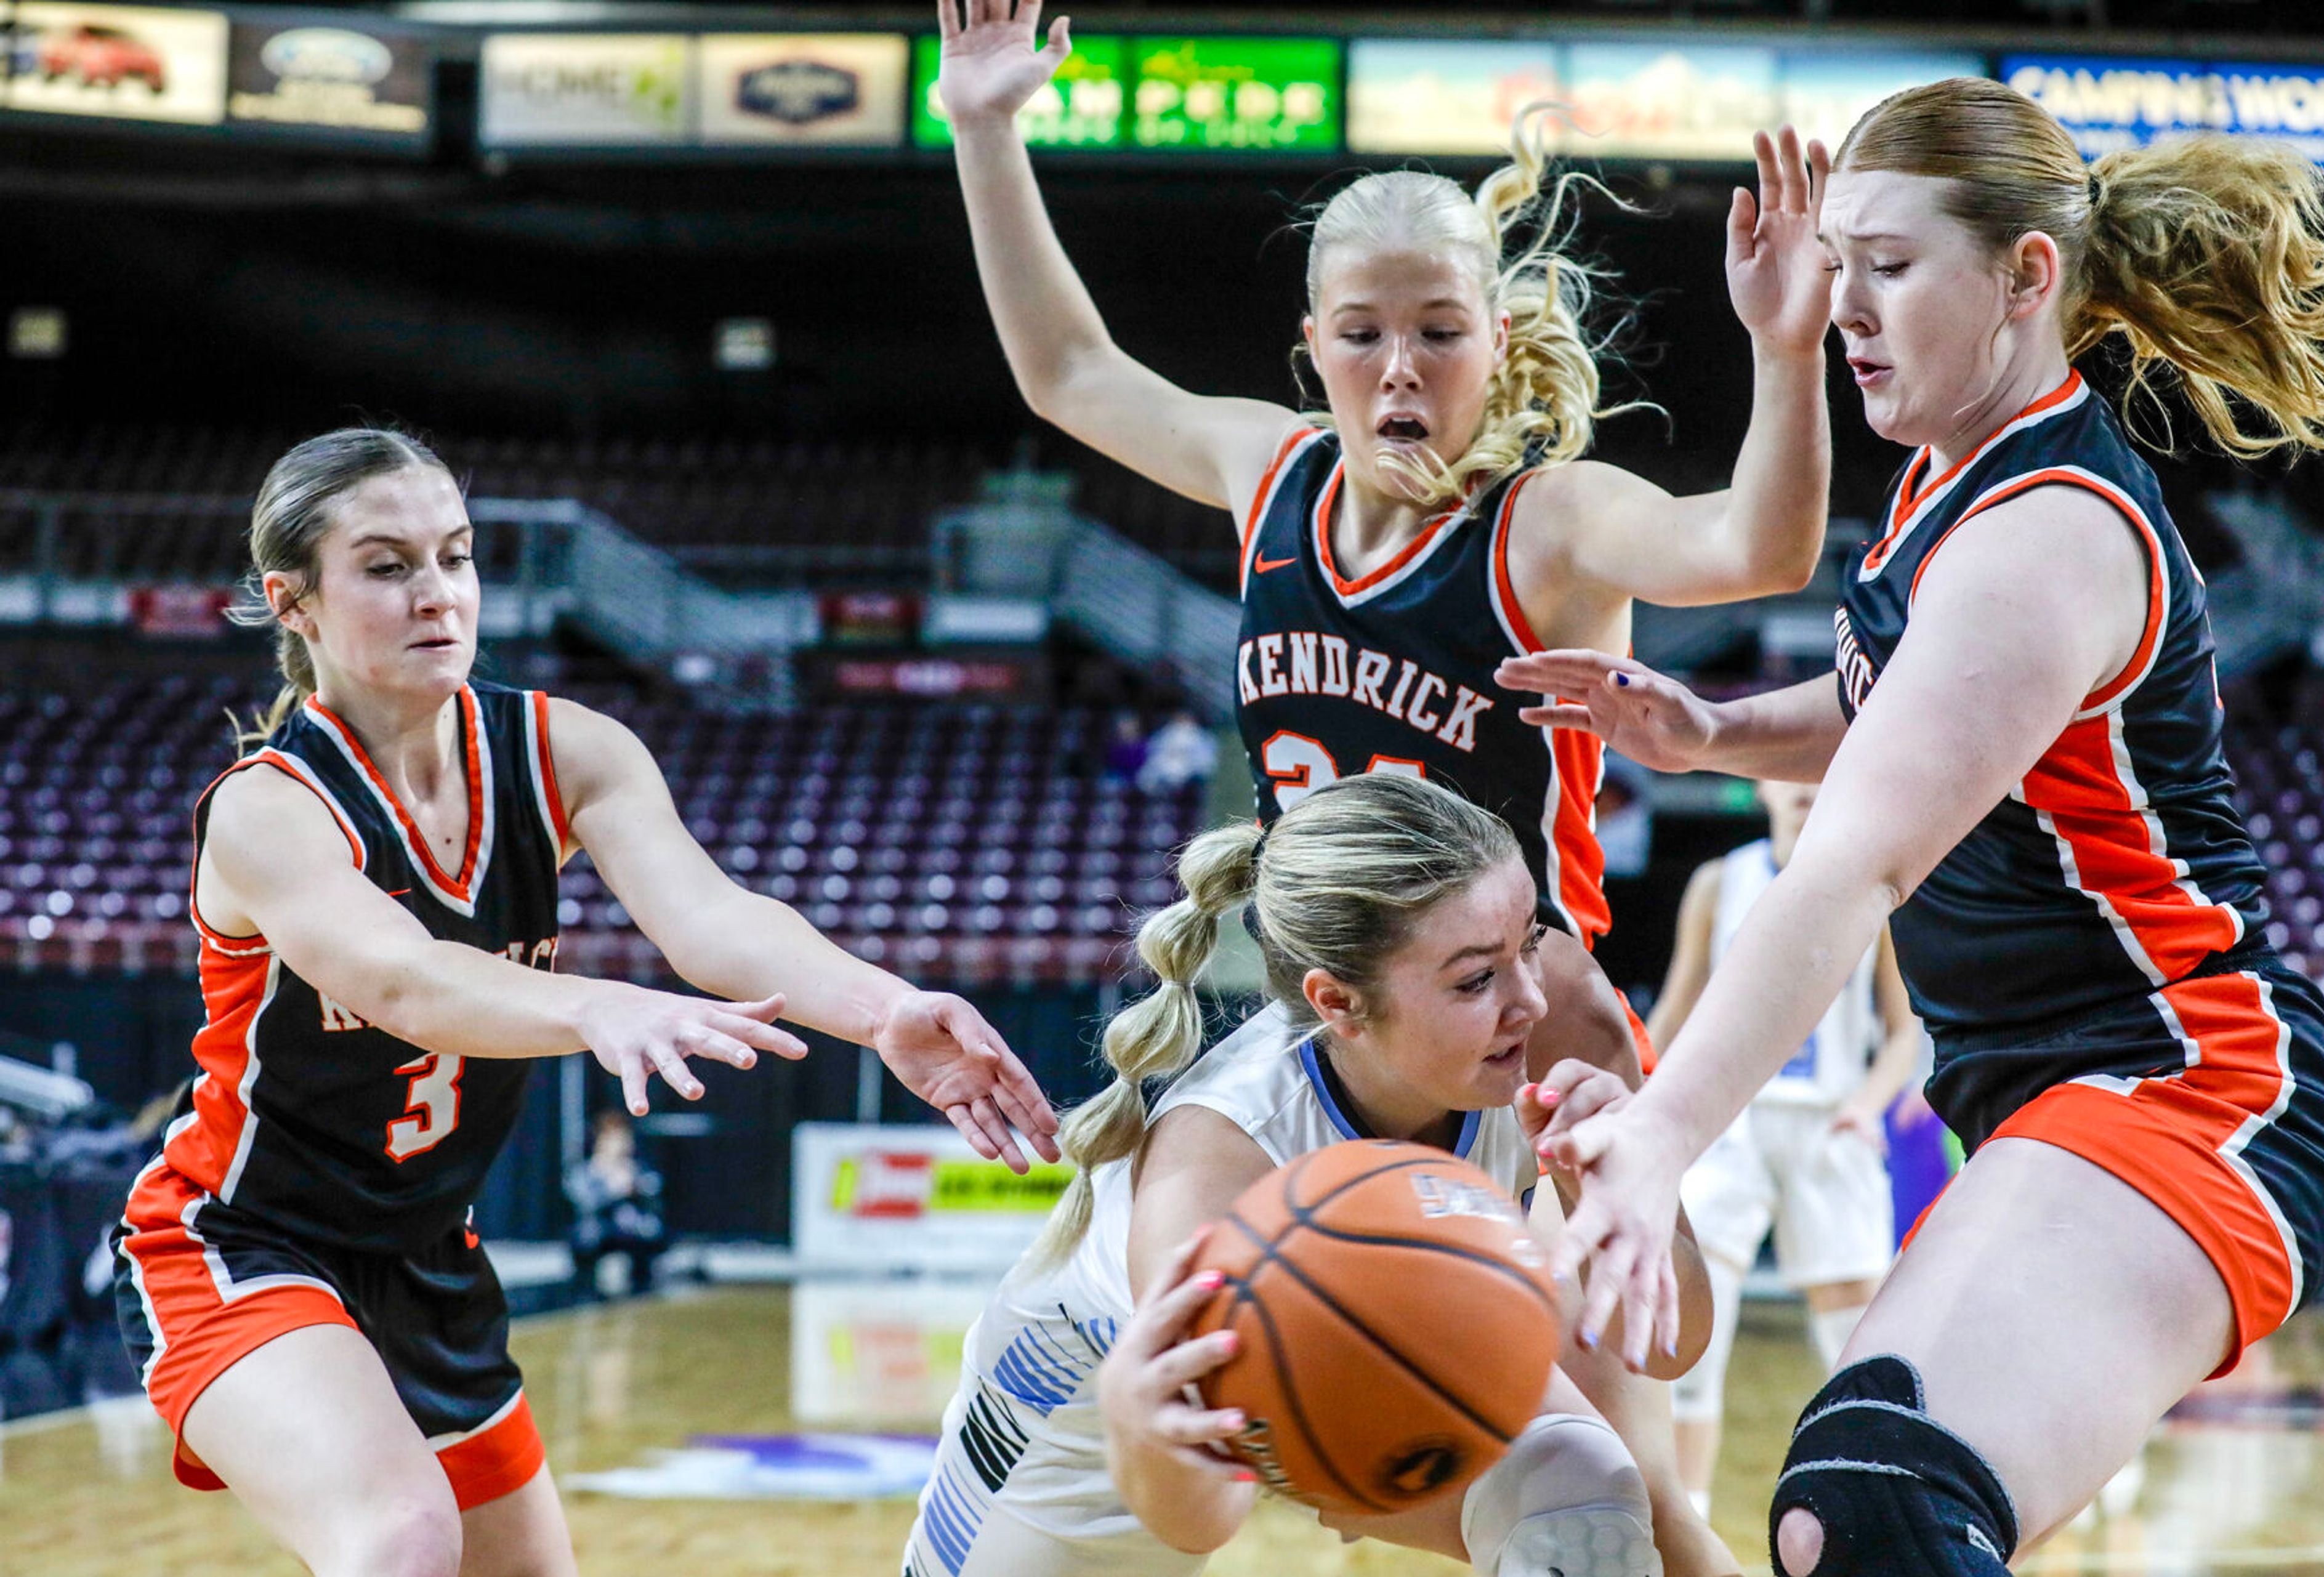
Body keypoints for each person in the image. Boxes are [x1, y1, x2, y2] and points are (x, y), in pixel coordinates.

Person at [937, 4, 1837, 1564]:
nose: (1400, 365)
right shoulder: (1266, 473)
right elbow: (1066, 366)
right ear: (1314, 352)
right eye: (1362, 332)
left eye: (1438, 328)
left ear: (1498, 343)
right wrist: (985, 128)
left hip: (1521, 1009)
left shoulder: (1545, 526)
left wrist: (1782, 350)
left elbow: (1756, 549)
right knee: (1333, 1418)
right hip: (1336, 1013)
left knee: (1612, 1469)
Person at [1506, 80, 2324, 1577]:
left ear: (2024, 278)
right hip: (2063, 1091)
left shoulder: (2045, 528)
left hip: (2188, 1080)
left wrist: (1658, 1131)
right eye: (1836, 265)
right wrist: (1716, 731)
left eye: (1885, 266)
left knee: (1874, 1498)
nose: (1843, 304)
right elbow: (1907, 708)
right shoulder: (1949, 480)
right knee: (1854, 1511)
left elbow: (1858, 855)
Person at [109, 429, 1062, 1577]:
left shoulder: (562, 747)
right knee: (400, 1536)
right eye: (387, 565)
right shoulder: (270, 809)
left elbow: (712, 918)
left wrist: (882, 1010)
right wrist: (596, 1009)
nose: (438, 593)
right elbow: (404, 979)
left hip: (428, 1258)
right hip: (243, 1239)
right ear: (294, 602)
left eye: (455, 556)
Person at [905, 772, 1713, 1577]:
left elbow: (1674, 1347)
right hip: (1088, 1426)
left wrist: (1614, 1197)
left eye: (1531, 942)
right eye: (1475, 978)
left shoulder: (1543, 1026)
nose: (1530, 999)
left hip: (1344, 1340)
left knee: (1582, 1498)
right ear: (1339, 1003)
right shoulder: (1218, 1160)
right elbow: (1205, 1513)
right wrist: (1142, 1428)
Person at [1646, 781, 1924, 1514]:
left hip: (1829, 1124)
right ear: (1762, 783)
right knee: (1691, 1341)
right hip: (1728, 1122)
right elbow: (1677, 1009)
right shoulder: (1719, 880)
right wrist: (1649, 1112)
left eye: (1822, 770)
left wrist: (1868, 1107)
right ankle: (1686, 1518)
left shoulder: (1872, 880)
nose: (1804, 784)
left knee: (1856, 1346)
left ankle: (1881, 1509)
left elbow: (1904, 1030)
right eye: (1789, 770)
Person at [566, 1110, 669, 1298]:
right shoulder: (586, 1171)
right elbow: (584, 1202)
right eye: (615, 1139)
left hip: (633, 1231)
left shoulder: (638, 1169)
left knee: (652, 1231)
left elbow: (656, 1193)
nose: (621, 1144)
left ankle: (644, 1284)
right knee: (587, 1237)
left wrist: (635, 1186)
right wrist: (613, 1190)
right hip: (601, 1231)